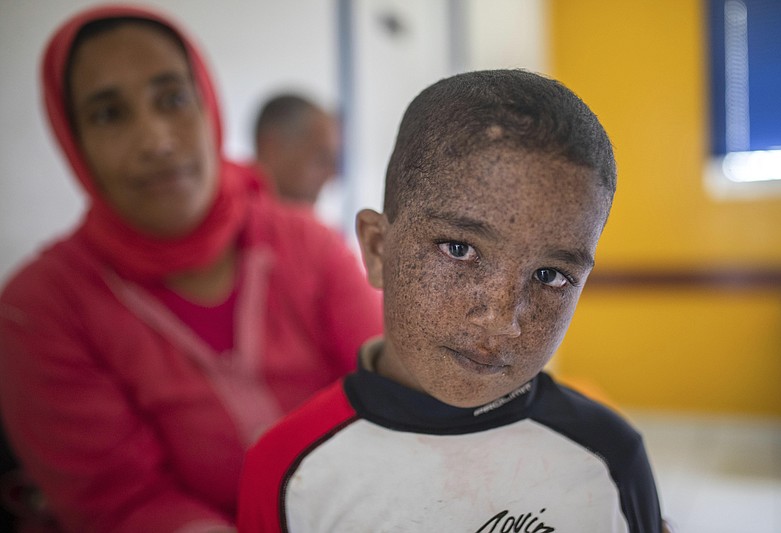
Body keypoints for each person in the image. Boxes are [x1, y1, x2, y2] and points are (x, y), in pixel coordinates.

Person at [0, 5, 382, 533]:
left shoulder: (308, 245)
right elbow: (122, 503)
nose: (156, 140)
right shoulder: (40, 309)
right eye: (109, 114)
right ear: (74, 141)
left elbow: (394, 388)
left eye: (173, 99)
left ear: (209, 106)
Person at [237, 69, 665, 533]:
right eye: (459, 249)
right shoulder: (288, 468)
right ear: (378, 249)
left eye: (550, 275)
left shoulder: (608, 457)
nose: (501, 320)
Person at [253, 94, 340, 206]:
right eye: (321, 160)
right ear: (271, 150)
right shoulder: (231, 215)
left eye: (333, 162)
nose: (330, 176)